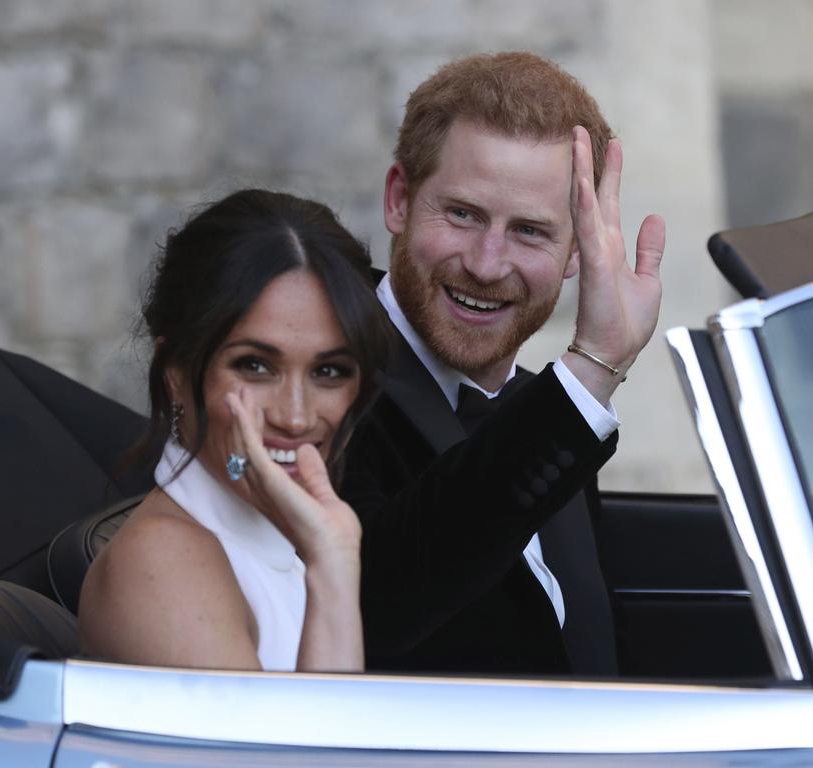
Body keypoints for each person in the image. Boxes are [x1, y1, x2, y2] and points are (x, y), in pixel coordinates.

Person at [342, 52, 666, 675]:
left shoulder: (542, 409)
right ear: (399, 201)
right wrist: (594, 367)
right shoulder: (323, 378)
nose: (487, 265)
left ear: (577, 252)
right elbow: (376, 606)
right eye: (463, 214)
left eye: (530, 232)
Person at [78, 189, 391, 672]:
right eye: (255, 366)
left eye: (329, 372)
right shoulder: (163, 561)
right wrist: (332, 566)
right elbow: (310, 752)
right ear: (177, 375)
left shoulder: (278, 542)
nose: (295, 416)